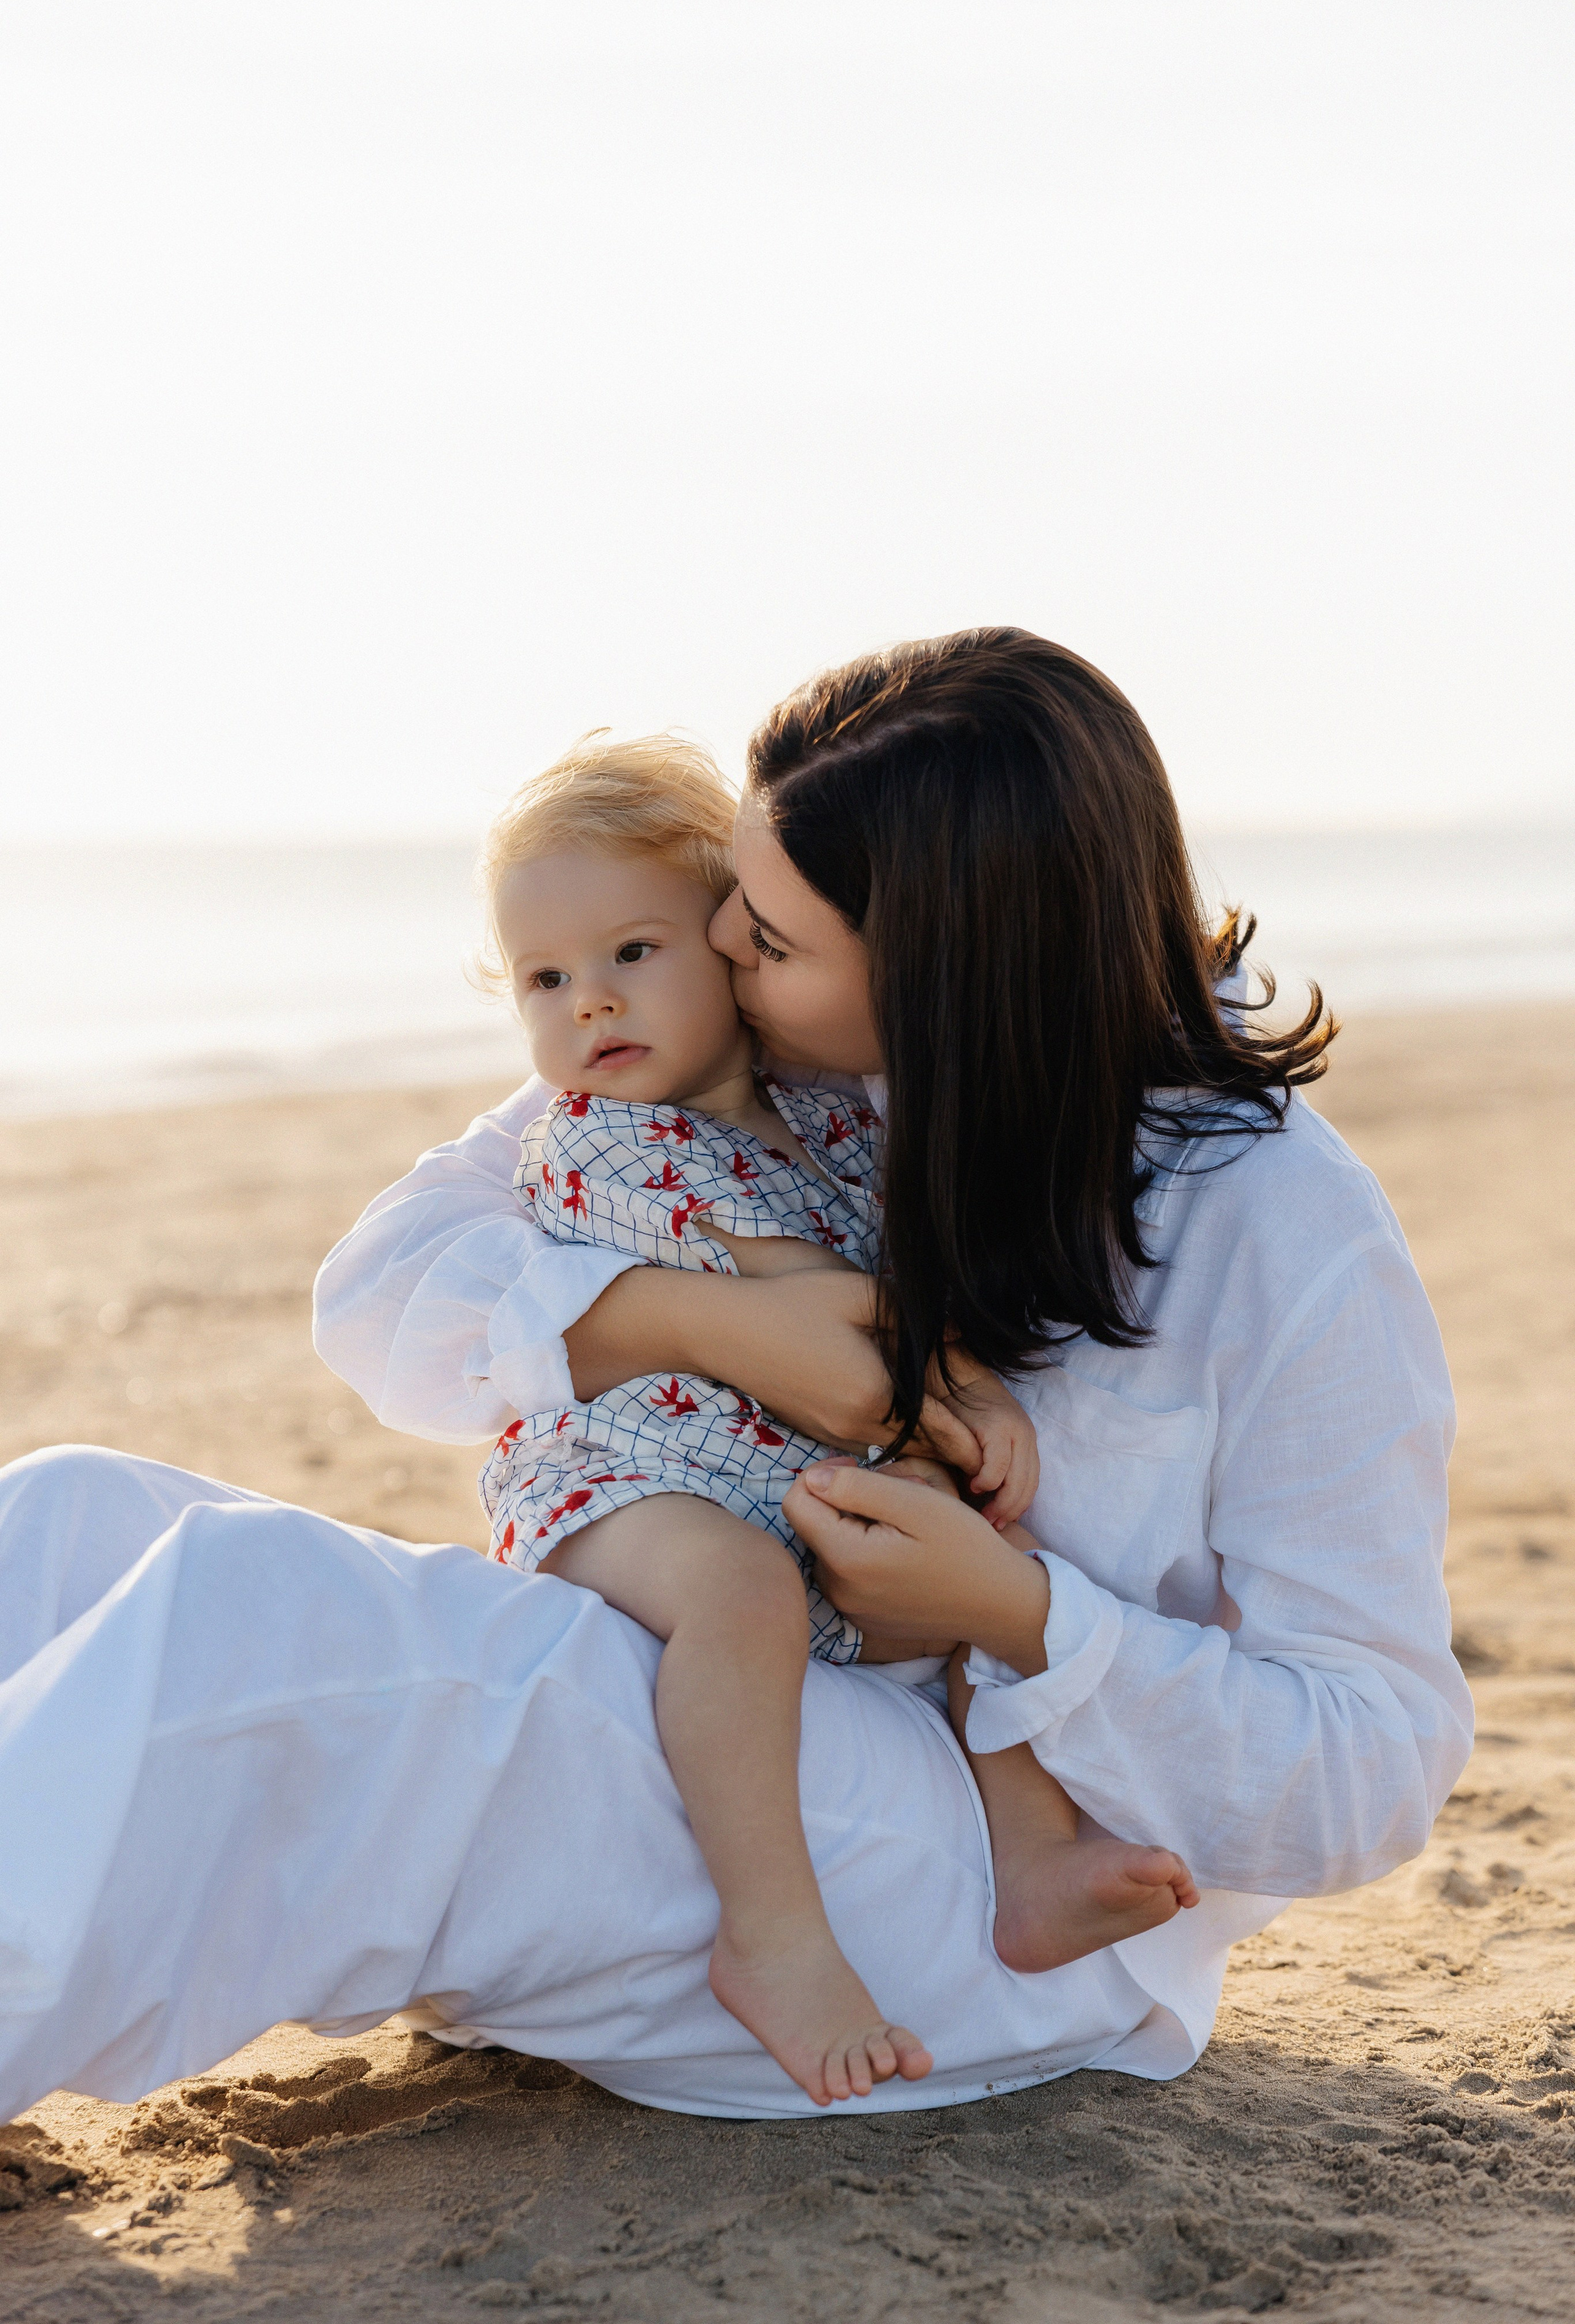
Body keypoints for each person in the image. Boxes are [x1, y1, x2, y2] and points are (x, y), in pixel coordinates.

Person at [0, 628, 1472, 2130]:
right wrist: (694, 1323)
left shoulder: (1276, 1228)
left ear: (948, 968)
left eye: (766, 938)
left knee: (254, 1625)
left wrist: (1019, 1614)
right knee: (59, 1525)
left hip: (974, 1876)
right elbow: (381, 1301)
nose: (720, 954)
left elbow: (1372, 1765)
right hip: (770, 1715)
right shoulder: (786, 1044)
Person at [469, 733, 1197, 2103]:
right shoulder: (599, 1137)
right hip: (624, 1489)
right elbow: (835, 1300)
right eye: (544, 978)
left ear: (732, 950)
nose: (589, 1004)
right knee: (737, 1593)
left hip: (787, 1486)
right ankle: (774, 1936)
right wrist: (960, 1387)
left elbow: (908, 1288)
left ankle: (1030, 1854)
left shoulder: (836, 1118)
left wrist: (969, 1395)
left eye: (633, 951)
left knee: (993, 1576)